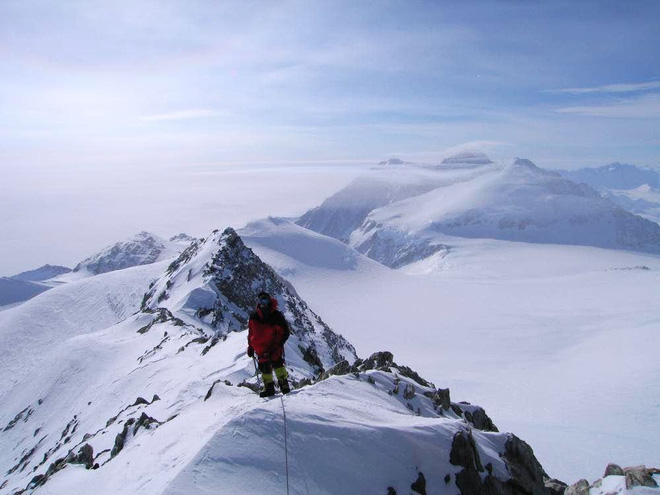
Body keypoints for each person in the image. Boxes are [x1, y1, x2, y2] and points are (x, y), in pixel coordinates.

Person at [247, 291, 291, 397]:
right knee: (264, 369)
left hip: (273, 347)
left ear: (269, 301)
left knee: (278, 366)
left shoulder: (276, 316)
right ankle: (269, 389)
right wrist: (250, 346)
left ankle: (284, 386)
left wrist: (278, 345)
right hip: (260, 348)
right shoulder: (254, 316)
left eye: (265, 300)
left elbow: (285, 332)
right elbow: (251, 332)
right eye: (261, 300)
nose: (263, 303)